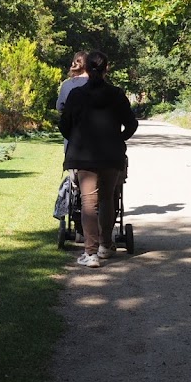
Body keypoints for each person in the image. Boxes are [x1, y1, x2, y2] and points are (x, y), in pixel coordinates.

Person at [58, 50, 138, 268]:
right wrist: (117, 138)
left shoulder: (76, 95)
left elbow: (64, 125)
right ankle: (105, 245)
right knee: (107, 199)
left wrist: (76, 139)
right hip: (111, 156)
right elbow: (132, 124)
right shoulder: (117, 95)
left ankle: (90, 253)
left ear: (85, 67)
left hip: (84, 156)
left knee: (89, 202)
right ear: (107, 68)